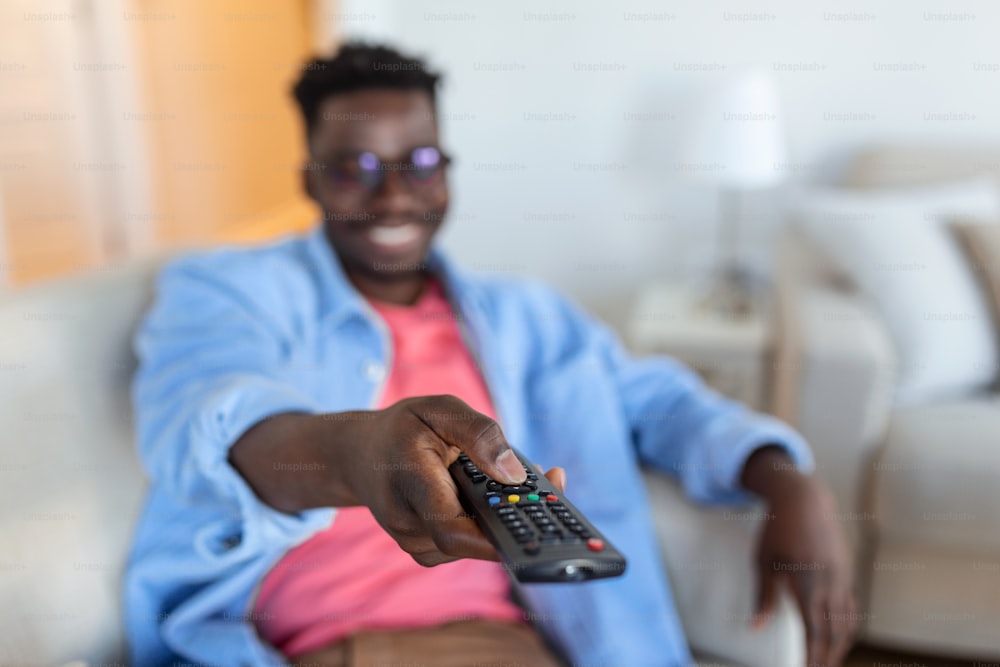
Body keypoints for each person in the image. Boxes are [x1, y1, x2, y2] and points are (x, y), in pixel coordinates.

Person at [125, 42, 858, 667]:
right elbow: (214, 421)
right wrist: (363, 449)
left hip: (499, 642)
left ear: (446, 168)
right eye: (354, 169)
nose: (393, 198)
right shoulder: (228, 290)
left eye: (418, 162)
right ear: (309, 181)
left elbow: (660, 402)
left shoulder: (527, 316)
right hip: (315, 645)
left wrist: (787, 480)